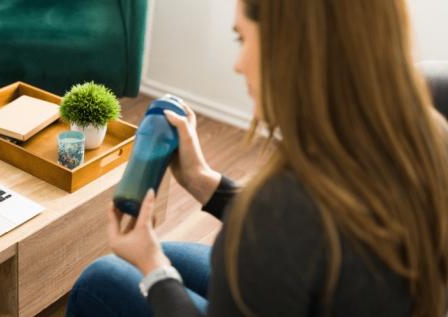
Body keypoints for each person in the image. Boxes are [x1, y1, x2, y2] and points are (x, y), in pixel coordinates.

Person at [67, 0, 448, 316]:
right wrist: (203, 180)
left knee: (99, 280)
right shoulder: (428, 132)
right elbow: (305, 242)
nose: (238, 63)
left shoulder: (280, 209)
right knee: (166, 256)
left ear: (291, 49)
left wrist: (153, 269)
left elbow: (287, 229)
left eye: (242, 38)